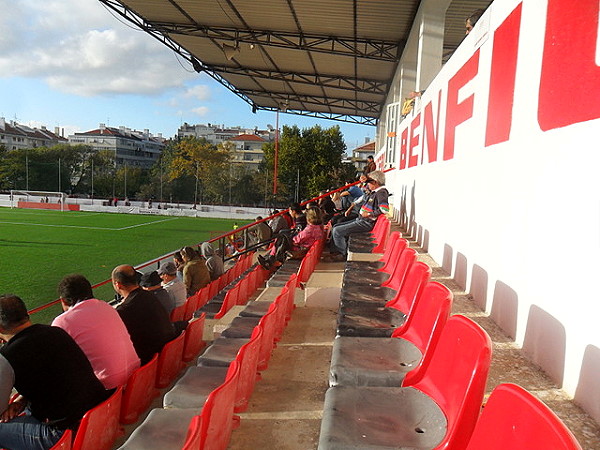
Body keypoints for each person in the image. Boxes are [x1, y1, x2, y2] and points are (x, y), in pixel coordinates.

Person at [0, 294, 110, 449]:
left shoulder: (6, 357)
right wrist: (22, 400)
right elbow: (57, 379)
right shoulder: (57, 332)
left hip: (67, 433)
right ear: (27, 314)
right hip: (100, 414)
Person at [52, 274, 140, 390]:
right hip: (137, 374)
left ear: (63, 300)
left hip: (109, 386)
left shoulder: (62, 322)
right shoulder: (106, 306)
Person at [113, 265, 177, 365]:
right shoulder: (150, 295)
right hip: (168, 352)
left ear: (118, 284)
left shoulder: (123, 310)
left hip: (150, 360)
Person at [328, 170, 389, 261]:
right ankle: (335, 251)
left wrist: (368, 214)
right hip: (361, 220)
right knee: (336, 226)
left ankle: (342, 254)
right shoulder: (374, 192)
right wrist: (364, 181)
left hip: (366, 222)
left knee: (337, 230)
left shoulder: (381, 193)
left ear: (375, 182)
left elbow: (384, 209)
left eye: (368, 183)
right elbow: (364, 193)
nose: (367, 185)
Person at [258, 207, 325, 270]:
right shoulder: (319, 227)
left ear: (309, 218)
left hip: (300, 250)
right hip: (306, 250)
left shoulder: (310, 229)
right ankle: (270, 259)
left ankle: (271, 260)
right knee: (282, 238)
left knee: (281, 238)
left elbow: (296, 241)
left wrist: (290, 237)